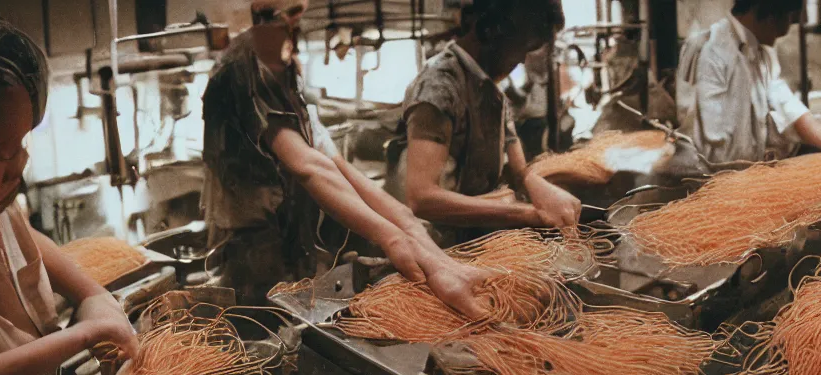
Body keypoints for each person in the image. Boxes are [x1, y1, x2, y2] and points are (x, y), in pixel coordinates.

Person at [202, 0, 490, 316]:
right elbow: (308, 167)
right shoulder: (245, 64)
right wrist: (395, 241)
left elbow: (335, 165)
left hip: (291, 252)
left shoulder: (285, 77)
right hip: (253, 261)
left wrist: (436, 256)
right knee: (263, 340)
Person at [0, 18, 140, 375]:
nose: (17, 168)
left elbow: (91, 291)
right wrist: (77, 337)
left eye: (22, 145)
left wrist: (101, 312)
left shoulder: (5, 216)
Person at [401, 0, 581, 244]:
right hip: (438, 248)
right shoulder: (440, 86)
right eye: (522, 48)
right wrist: (526, 214)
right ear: (491, 31)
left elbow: (520, 172)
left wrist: (546, 191)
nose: (521, 60)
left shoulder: (492, 93)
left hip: (479, 241)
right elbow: (422, 197)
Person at [676, 0, 821, 164]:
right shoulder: (711, 49)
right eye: (787, 18)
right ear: (767, 13)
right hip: (706, 178)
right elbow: (708, 138)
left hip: (742, 174)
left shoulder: (761, 53)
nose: (785, 30)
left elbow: (788, 106)